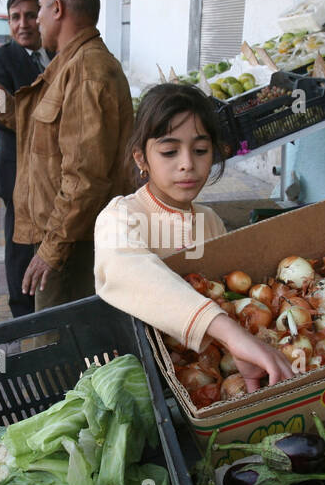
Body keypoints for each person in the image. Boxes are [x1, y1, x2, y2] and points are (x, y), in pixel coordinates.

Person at [94, 84, 293, 394]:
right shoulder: (121, 216)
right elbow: (124, 267)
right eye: (169, 151)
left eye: (200, 150)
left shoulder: (210, 221)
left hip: (208, 378)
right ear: (141, 158)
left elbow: (229, 293)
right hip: (142, 377)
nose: (187, 163)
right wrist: (226, 330)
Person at [0, 0, 134, 310]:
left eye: (40, 10)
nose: (36, 21)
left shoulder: (88, 71)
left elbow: (85, 177)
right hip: (60, 237)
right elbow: (36, 126)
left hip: (72, 246)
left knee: (63, 349)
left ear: (57, 9)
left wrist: (51, 251)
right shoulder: (69, 64)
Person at [0, 0, 47, 317]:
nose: (24, 23)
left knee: (49, 244)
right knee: (20, 246)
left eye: (31, 15)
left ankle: (51, 306)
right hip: (17, 172)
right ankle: (22, 313)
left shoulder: (57, 53)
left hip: (53, 172)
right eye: (15, 17)